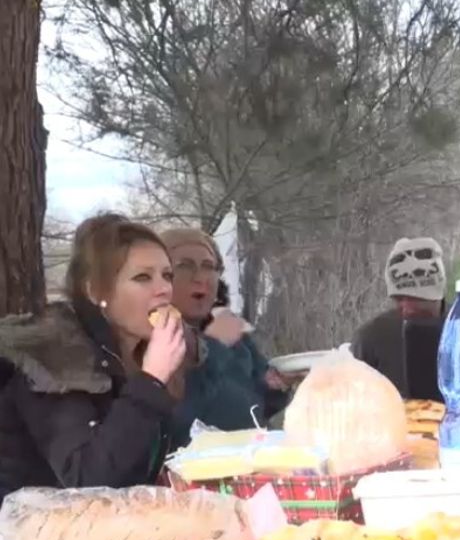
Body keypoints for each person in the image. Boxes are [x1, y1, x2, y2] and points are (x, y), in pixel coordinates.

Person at [0, 214, 191, 500]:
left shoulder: (138, 353)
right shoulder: (57, 359)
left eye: (167, 275)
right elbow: (87, 479)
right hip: (25, 533)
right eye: (143, 277)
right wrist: (151, 382)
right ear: (96, 292)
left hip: (105, 527)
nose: (164, 289)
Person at [161, 228, 289, 441]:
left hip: (251, 463)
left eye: (209, 267)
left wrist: (276, 386)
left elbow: (256, 407)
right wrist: (215, 344)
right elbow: (184, 418)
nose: (200, 277)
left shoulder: (228, 327)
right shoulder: (153, 338)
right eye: (184, 266)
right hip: (192, 468)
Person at [351, 237, 446, 401]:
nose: (407, 308)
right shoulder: (372, 337)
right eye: (399, 299)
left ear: (437, 296)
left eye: (416, 298)